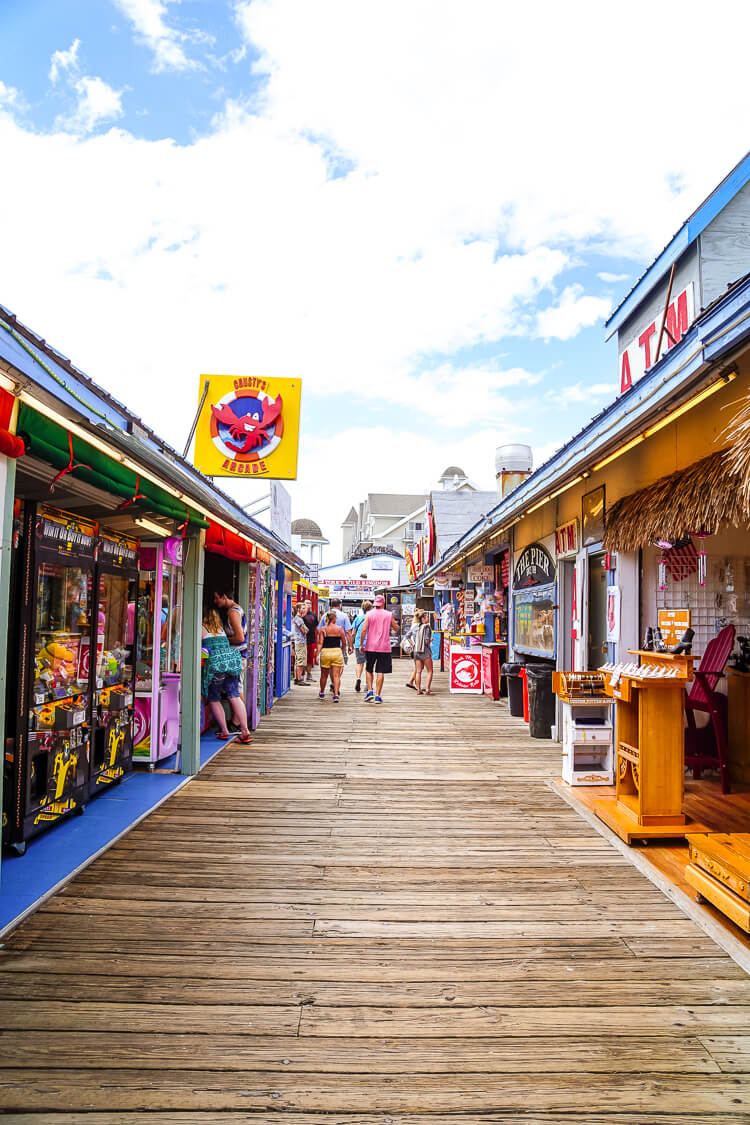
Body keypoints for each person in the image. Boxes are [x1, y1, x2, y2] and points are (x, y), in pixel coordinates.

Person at [201, 607, 252, 743]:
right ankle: (245, 730)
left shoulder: (201, 629)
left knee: (214, 698)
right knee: (234, 696)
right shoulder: (221, 630)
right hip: (231, 664)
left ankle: (224, 730)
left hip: (216, 667)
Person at [359, 593, 398, 704]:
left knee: (369, 669)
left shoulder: (369, 614)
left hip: (370, 646)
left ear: (375, 603)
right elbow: (396, 628)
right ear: (384, 603)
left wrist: (361, 644)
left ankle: (370, 691)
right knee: (380, 671)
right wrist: (392, 627)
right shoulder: (389, 614)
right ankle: (378, 696)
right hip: (384, 647)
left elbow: (363, 630)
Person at [213, 587, 249, 692]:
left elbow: (240, 637)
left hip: (237, 656)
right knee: (235, 690)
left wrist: (223, 640)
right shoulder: (236, 609)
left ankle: (243, 709)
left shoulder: (233, 613)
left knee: (236, 691)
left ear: (224, 596)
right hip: (239, 656)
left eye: (216, 598)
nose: (215, 601)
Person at [319, 597, 353, 692]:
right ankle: (335, 681)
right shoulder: (344, 616)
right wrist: (350, 646)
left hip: (327, 647)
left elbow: (319, 631)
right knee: (339, 666)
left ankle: (333, 682)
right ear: (340, 605)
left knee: (329, 666)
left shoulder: (325, 616)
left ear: (330, 605)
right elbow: (348, 632)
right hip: (340, 646)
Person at [316, 610, 346, 702]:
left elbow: (320, 643)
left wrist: (317, 655)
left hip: (325, 652)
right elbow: (344, 642)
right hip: (336, 652)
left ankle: (321, 692)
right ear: (334, 619)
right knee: (336, 675)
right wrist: (343, 650)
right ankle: (336, 694)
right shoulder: (339, 629)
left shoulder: (323, 629)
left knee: (324, 675)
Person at [351, 600, 373, 693]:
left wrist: (351, 644)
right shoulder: (372, 619)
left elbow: (353, 632)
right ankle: (368, 684)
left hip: (358, 643)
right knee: (369, 664)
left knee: (359, 663)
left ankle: (358, 678)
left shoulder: (358, 619)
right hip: (371, 644)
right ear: (371, 608)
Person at [413, 610, 434, 695]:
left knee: (418, 671)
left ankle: (419, 689)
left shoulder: (415, 626)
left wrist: (413, 645)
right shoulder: (427, 627)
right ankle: (428, 689)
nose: (428, 618)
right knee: (430, 671)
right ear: (422, 619)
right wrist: (430, 641)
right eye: (426, 617)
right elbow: (426, 641)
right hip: (425, 651)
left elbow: (408, 636)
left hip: (416, 651)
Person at [292, 602, 310, 685]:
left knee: (298, 661)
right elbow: (304, 630)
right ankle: (299, 679)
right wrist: (306, 629)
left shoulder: (298, 618)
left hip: (298, 641)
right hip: (300, 642)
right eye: (302, 608)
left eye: (304, 608)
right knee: (301, 661)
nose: (304, 609)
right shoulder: (298, 619)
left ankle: (297, 678)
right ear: (298, 609)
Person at [302, 600, 318, 683]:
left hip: (311, 640)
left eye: (310, 603)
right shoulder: (301, 615)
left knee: (310, 659)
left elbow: (315, 626)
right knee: (302, 658)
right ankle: (301, 675)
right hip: (302, 640)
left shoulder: (313, 615)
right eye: (307, 603)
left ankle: (309, 674)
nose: (308, 605)